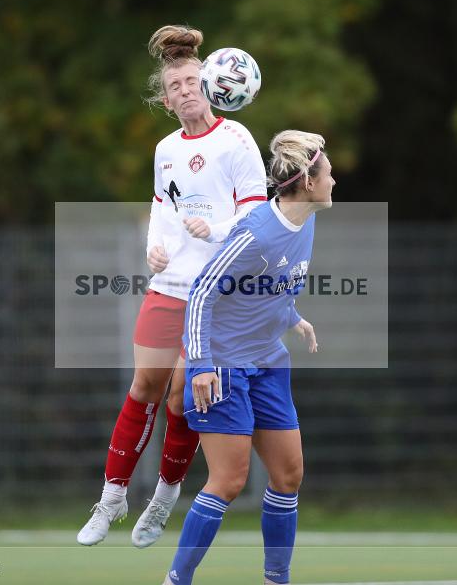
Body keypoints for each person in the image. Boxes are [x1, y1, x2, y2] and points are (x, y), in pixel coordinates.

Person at [77, 24, 268, 548]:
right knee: (144, 387)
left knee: (183, 399)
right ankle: (111, 498)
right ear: (166, 100)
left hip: (217, 293)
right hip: (170, 285)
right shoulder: (164, 149)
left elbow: (257, 215)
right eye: (175, 86)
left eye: (192, 81)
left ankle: (163, 498)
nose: (185, 90)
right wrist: (152, 250)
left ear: (208, 83)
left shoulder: (237, 141)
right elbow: (163, 208)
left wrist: (219, 229)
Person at [162, 130, 333, 585]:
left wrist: (292, 315)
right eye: (328, 172)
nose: (334, 180)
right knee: (230, 480)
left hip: (269, 363)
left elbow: (263, 285)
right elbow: (202, 292)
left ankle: (277, 580)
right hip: (223, 365)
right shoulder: (257, 233)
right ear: (309, 182)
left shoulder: (308, 218)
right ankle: (176, 581)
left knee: (289, 475)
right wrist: (199, 365)